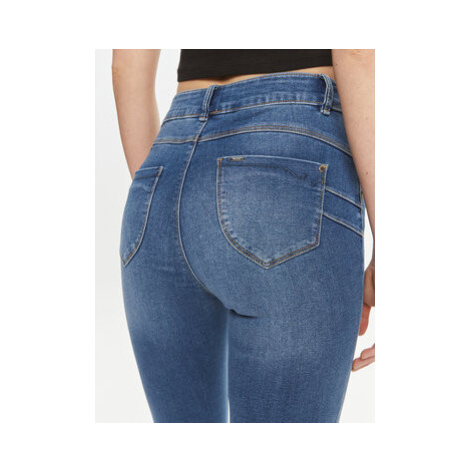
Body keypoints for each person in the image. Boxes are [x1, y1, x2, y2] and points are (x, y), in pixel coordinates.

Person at [112, 49, 375, 423]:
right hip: (288, 151)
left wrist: (164, 202)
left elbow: (126, 63)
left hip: (164, 172)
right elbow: (357, 52)